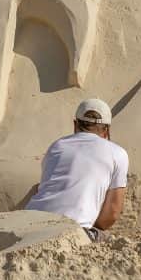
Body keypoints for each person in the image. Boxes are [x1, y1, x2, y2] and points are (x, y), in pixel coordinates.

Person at [25, 99, 129, 241]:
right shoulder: (117, 153)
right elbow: (111, 214)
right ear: (106, 130)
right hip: (71, 232)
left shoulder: (57, 146)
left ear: (75, 125)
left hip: (27, 224)